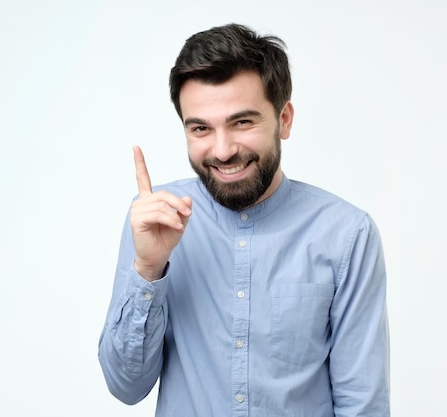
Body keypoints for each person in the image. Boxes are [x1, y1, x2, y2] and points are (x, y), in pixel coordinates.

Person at [98, 23, 390, 416]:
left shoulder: (346, 234)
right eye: (201, 128)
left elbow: (363, 404)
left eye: (242, 122)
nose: (222, 150)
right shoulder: (155, 219)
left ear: (284, 119)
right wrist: (148, 269)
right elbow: (125, 386)